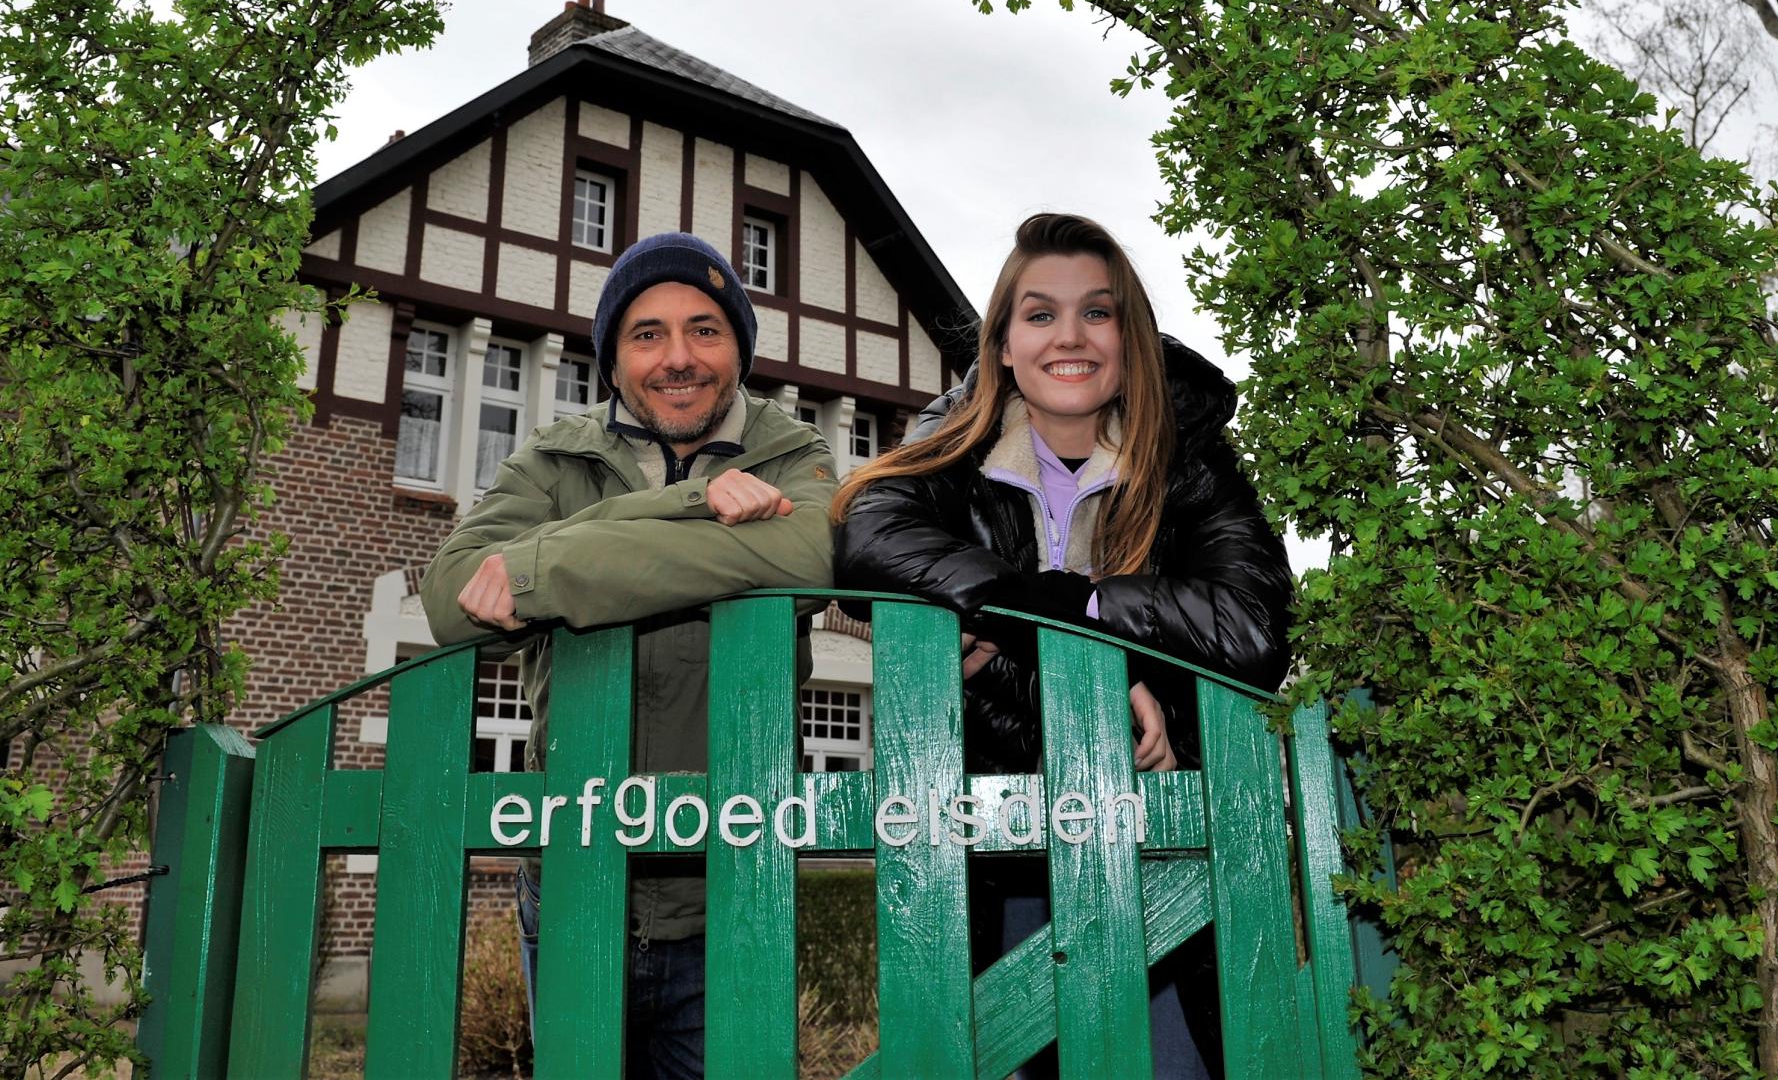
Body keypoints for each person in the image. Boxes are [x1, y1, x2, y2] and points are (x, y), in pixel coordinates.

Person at [832, 212, 1292, 1078]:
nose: (1069, 337)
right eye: (1040, 314)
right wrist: (1078, 670)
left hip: (1160, 846)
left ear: (1131, 336)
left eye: (1098, 312)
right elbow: (868, 539)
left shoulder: (1186, 454)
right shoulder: (953, 441)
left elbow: (1252, 625)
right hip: (995, 847)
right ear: (1003, 343)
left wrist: (1067, 608)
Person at [422, 232, 839, 1080]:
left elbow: (811, 557)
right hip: (574, 883)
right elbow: (451, 598)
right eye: (647, 333)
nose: (677, 357)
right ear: (611, 358)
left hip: (733, 886)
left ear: (739, 350)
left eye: (705, 330)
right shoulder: (553, 456)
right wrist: (694, 504)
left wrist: (548, 564)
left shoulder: (791, 455)